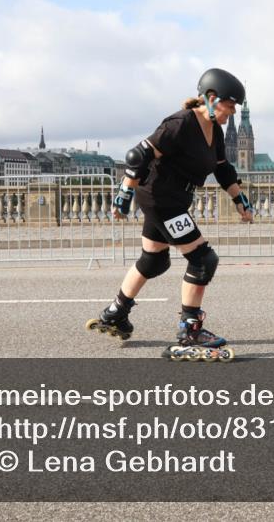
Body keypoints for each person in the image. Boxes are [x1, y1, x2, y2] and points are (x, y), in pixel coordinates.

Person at [86, 68, 254, 362]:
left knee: (154, 260)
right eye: (230, 105)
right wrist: (124, 193)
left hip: (173, 198)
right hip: (161, 199)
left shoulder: (214, 131)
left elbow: (223, 169)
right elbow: (139, 154)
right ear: (211, 98)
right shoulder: (181, 123)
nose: (232, 112)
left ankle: (116, 312)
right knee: (203, 260)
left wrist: (239, 199)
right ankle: (190, 331)